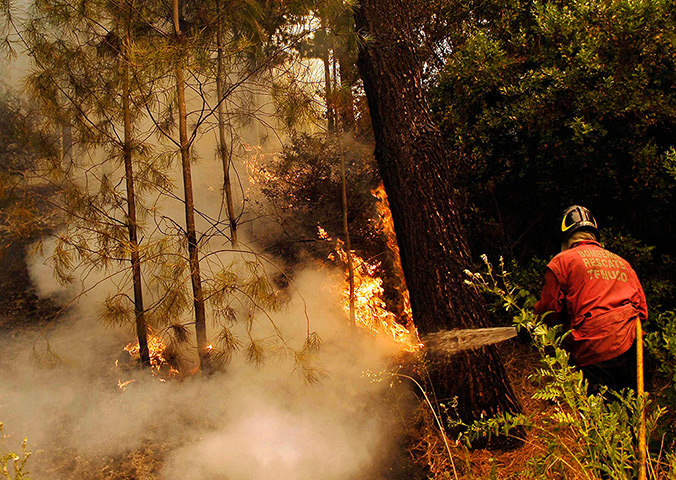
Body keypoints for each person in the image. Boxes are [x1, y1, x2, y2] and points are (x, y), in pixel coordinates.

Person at [534, 205, 648, 395]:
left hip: (592, 348)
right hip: (631, 348)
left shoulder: (561, 262)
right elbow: (643, 311)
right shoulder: (622, 263)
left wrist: (532, 325)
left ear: (564, 237)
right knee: (631, 411)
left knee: (599, 417)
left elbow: (549, 310)